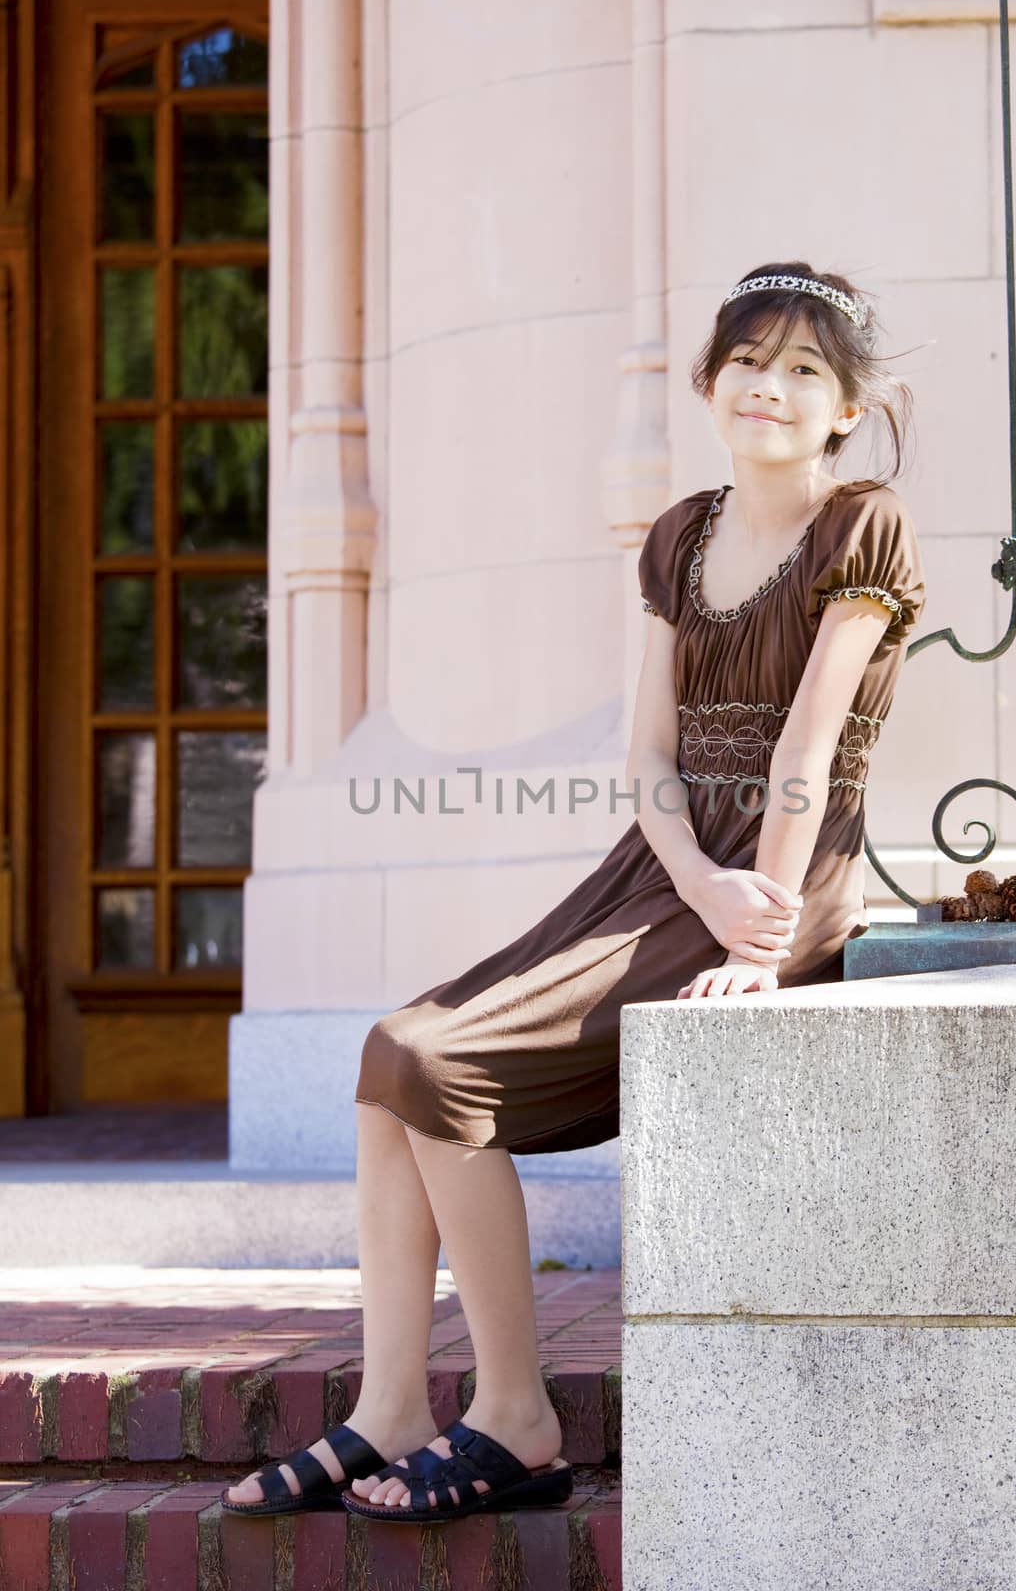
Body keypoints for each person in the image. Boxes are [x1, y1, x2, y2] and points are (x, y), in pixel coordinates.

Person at [222, 260, 927, 1523]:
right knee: (393, 1062)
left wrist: (752, 934)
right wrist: (693, 879)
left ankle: (516, 1419)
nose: (771, 386)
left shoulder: (861, 525)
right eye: (750, 361)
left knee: (440, 1064)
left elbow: (807, 755)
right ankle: (392, 1404)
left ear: (847, 410)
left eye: (805, 370)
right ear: (710, 382)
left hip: (784, 876)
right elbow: (647, 757)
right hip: (666, 868)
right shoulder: (680, 534)